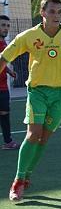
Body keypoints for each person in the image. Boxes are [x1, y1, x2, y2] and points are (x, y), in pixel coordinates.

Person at [1, 0, 61, 201]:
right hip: (38, 91)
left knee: (44, 138)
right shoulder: (28, 36)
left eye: (59, 12)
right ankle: (17, 181)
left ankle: (27, 176)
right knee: (33, 134)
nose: (56, 16)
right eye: (51, 11)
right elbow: (4, 57)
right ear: (42, 13)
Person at [0, 15, 18, 150]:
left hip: (3, 86)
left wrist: (9, 71)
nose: (6, 28)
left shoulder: (4, 44)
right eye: (2, 25)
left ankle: (8, 142)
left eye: (7, 25)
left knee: (5, 113)